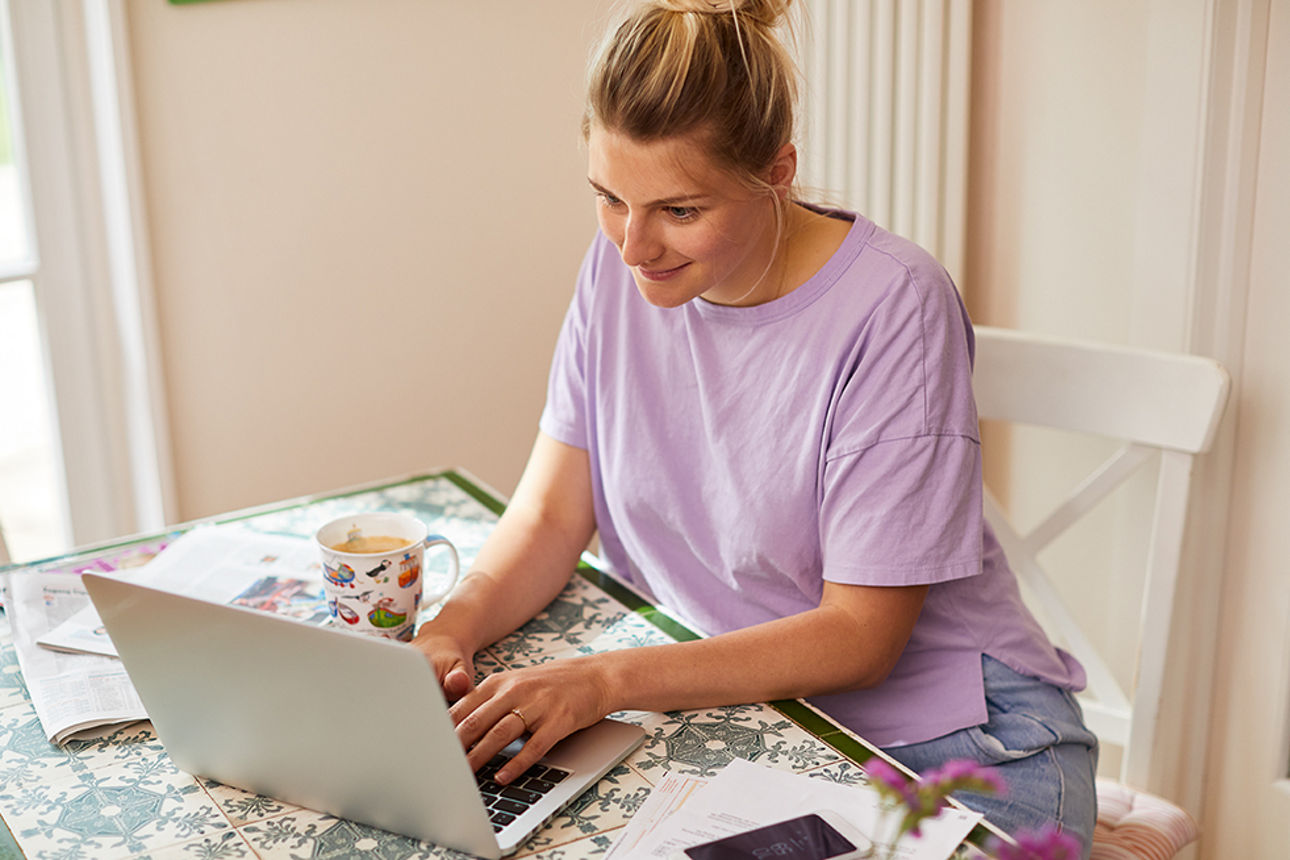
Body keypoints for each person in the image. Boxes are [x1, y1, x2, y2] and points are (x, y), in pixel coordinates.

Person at [412, 0, 1098, 852]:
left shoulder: (894, 307)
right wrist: (452, 626)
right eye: (608, 198)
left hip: (957, 744)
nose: (635, 246)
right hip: (757, 721)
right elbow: (554, 515)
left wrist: (603, 681)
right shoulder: (621, 269)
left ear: (779, 170)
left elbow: (861, 635)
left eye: (680, 210)